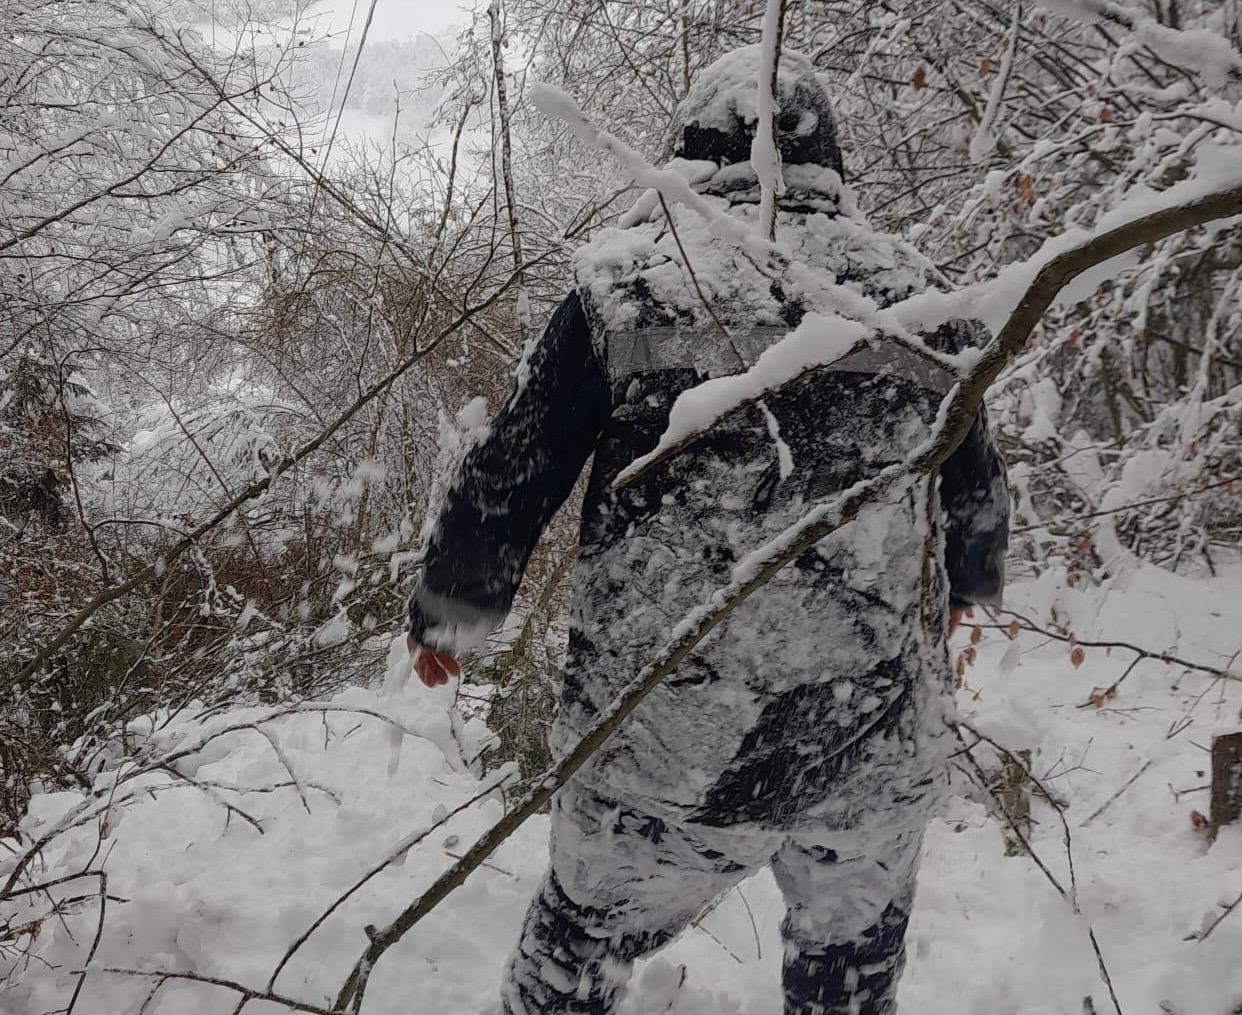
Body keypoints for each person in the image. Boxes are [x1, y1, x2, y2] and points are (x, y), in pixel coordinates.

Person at [405, 45, 1009, 1015]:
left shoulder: (629, 281)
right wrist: (967, 589)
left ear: (686, 159)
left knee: (575, 956)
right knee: (846, 983)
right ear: (829, 167)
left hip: (665, 741)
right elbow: (974, 497)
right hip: (873, 732)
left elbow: (514, 464)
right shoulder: (926, 302)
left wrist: (451, 605)